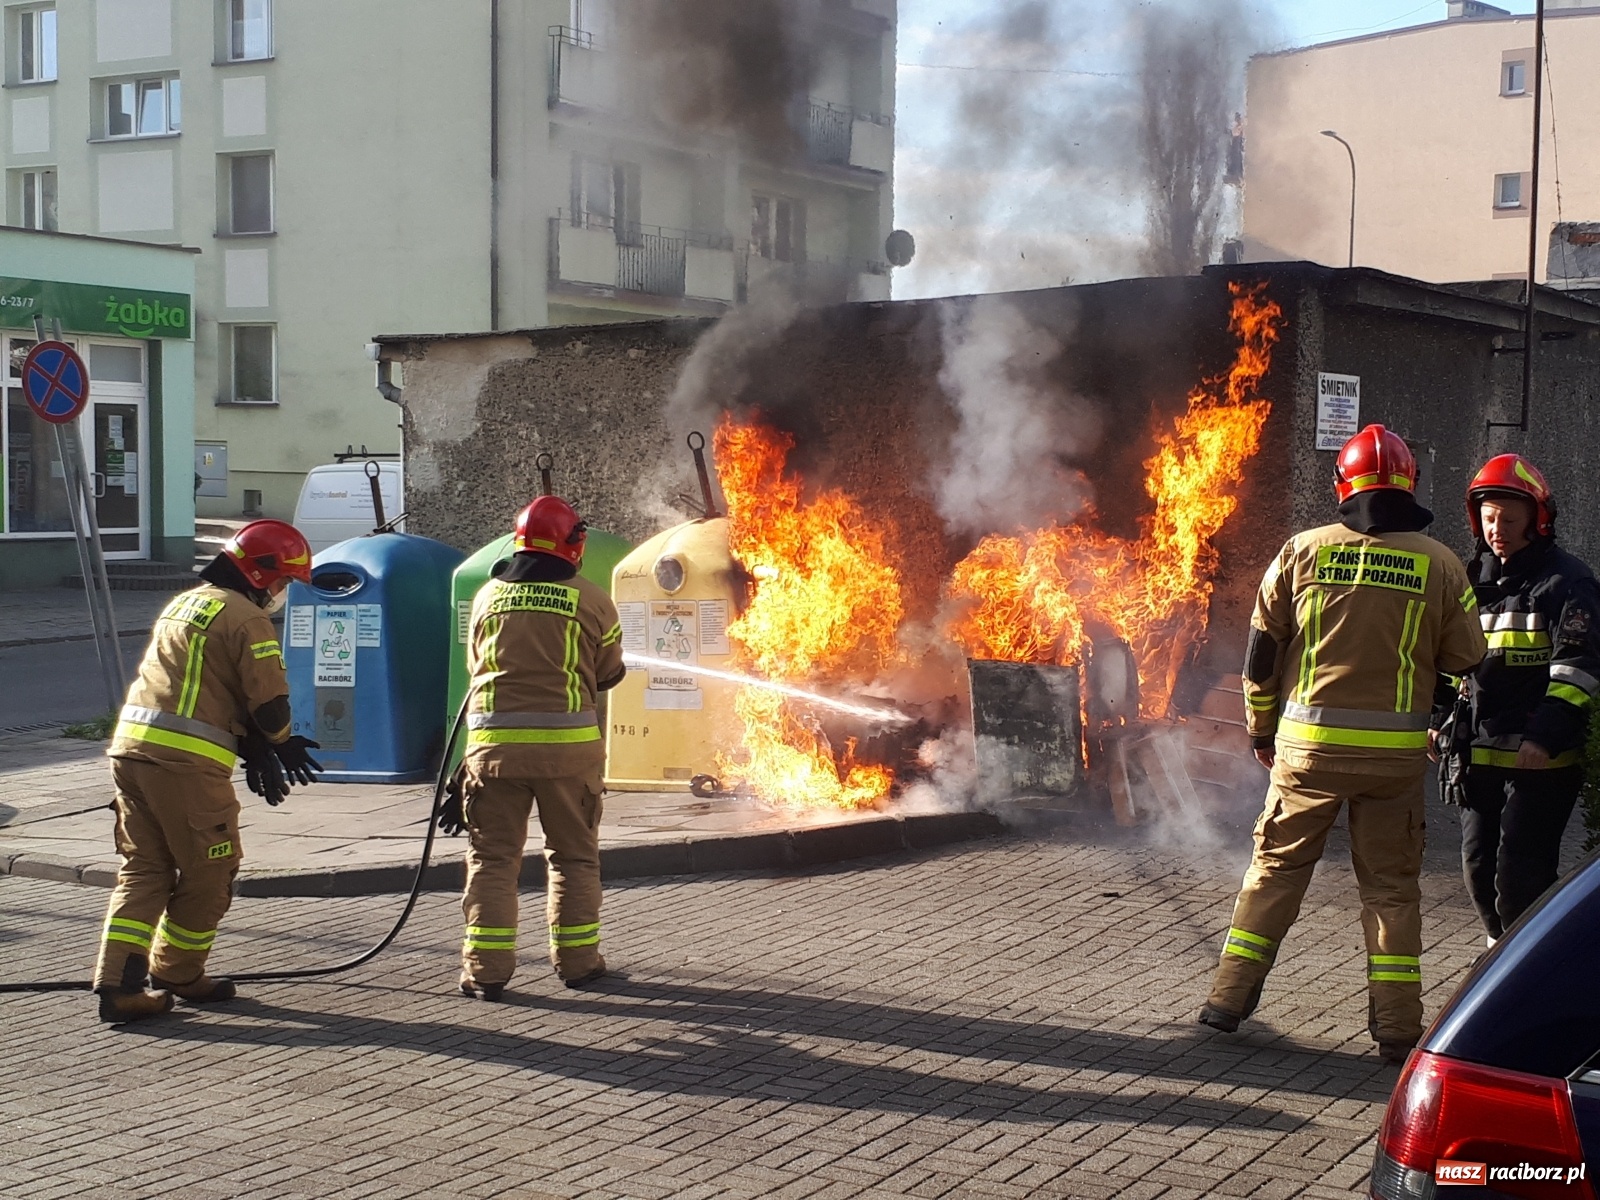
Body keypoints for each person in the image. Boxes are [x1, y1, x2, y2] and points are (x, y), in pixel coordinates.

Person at [1201, 425, 1487, 1063]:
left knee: (1274, 871)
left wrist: (1260, 729)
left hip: (1306, 751)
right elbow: (1468, 655)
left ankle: (1227, 998)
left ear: (1343, 487)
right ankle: (1395, 1029)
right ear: (1408, 486)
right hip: (1392, 761)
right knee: (1390, 888)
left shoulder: (1302, 550)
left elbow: (1261, 653)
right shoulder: (1439, 563)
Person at [95, 520, 323, 1024]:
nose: (284, 593)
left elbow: (200, 687)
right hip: (184, 766)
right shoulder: (247, 619)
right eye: (284, 581)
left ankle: (120, 987)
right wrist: (279, 745)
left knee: (146, 869)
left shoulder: (185, 603)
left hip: (131, 752)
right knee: (212, 869)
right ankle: (178, 971)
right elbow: (271, 710)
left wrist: (252, 747)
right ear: (261, 575)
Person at [441, 495, 626, 1000]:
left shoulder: (486, 597)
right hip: (569, 757)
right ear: (574, 543)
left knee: (492, 860)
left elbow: (478, 670)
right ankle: (579, 964)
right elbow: (609, 672)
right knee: (572, 858)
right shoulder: (591, 600)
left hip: (493, 755)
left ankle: (485, 972)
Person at [1439, 455, 1600, 946]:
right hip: (1479, 754)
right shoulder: (1471, 580)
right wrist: (1440, 717)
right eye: (1488, 518)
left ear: (1537, 519)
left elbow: (1578, 666)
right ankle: (1499, 955)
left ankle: (1529, 968)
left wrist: (1544, 738)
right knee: (1478, 870)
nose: (1497, 529)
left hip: (1540, 761)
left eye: (1509, 520)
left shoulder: (1567, 582)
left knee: (1520, 877)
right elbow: (1450, 658)